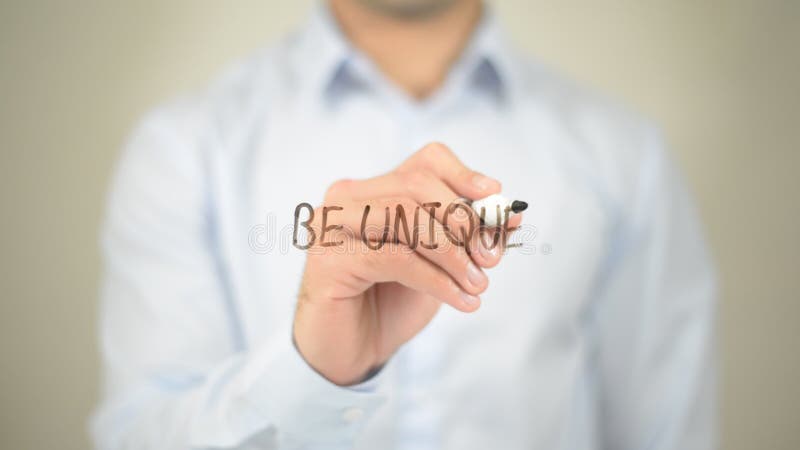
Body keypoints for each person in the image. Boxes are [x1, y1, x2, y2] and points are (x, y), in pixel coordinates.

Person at [91, 0, 717, 448]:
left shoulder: (625, 156)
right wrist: (312, 372)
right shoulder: (185, 150)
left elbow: (666, 433)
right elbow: (141, 436)